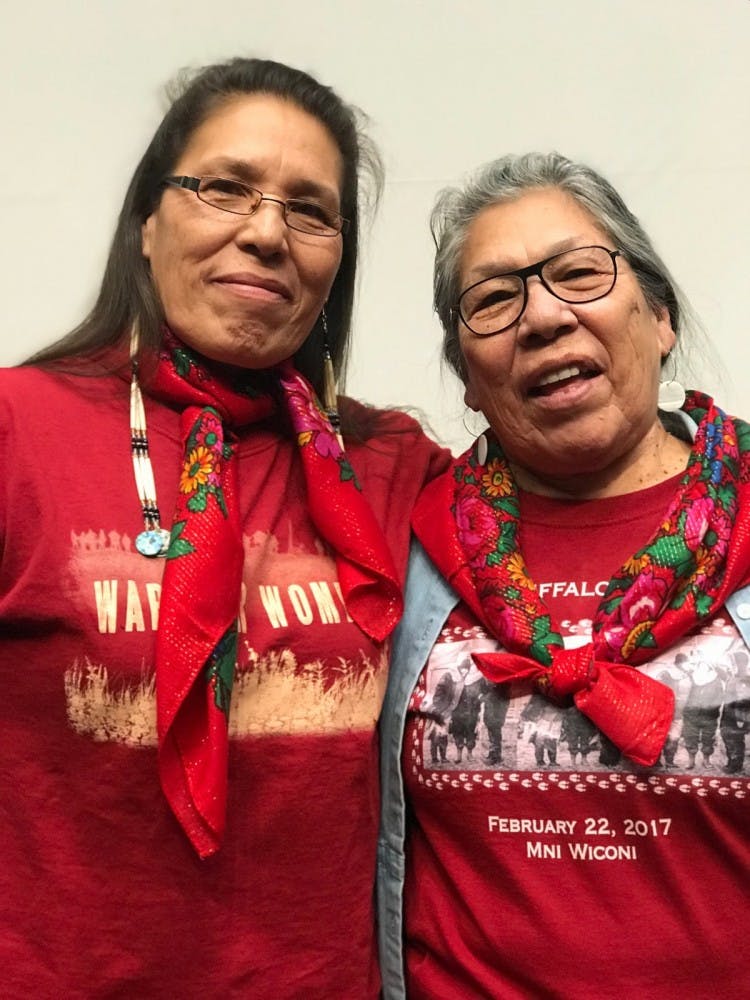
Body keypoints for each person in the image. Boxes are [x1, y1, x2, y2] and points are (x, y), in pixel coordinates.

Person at [0, 57, 448, 997]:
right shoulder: (18, 430)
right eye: (224, 188)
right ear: (147, 222)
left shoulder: (390, 465)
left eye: (311, 211)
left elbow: (586, 509)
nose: (266, 232)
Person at [378, 152, 750, 999]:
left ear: (660, 316)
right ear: (468, 379)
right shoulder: (410, 540)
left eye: (579, 273)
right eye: (494, 299)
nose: (543, 317)